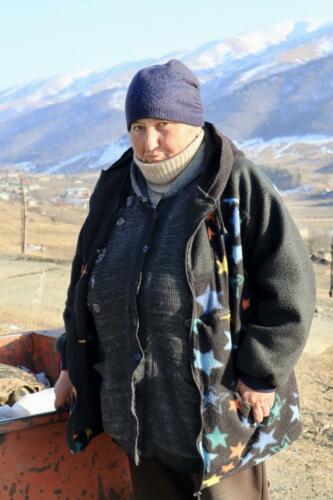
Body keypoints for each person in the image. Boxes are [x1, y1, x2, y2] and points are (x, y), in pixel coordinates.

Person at [54, 59, 316, 499]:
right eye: (137, 126)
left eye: (162, 124)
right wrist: (70, 363)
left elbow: (290, 286)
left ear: (193, 123)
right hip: (138, 415)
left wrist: (262, 373)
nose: (148, 141)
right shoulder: (115, 189)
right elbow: (83, 285)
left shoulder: (235, 185)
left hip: (221, 413)